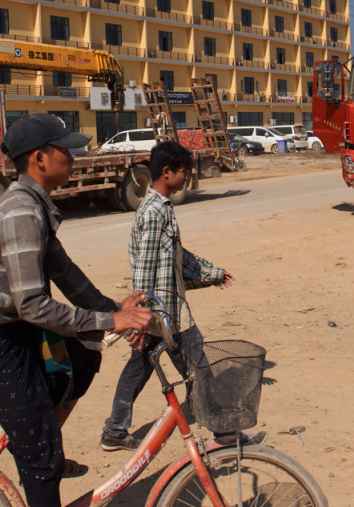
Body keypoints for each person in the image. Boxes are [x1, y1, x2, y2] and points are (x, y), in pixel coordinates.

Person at [0, 113, 153, 507]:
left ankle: (31, 441)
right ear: (40, 160)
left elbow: (66, 273)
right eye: (65, 150)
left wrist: (114, 308)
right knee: (44, 456)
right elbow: (33, 305)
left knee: (82, 353)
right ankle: (38, 456)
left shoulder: (34, 205)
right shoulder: (22, 213)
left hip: (15, 327)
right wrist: (112, 320)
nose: (74, 157)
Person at [100, 141, 265, 451]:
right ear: (166, 172)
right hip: (167, 315)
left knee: (139, 368)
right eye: (184, 172)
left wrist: (212, 273)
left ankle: (114, 430)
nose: (187, 177)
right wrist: (141, 318)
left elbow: (177, 255)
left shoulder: (160, 209)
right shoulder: (153, 213)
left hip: (158, 313)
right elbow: (146, 269)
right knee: (199, 369)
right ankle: (225, 432)